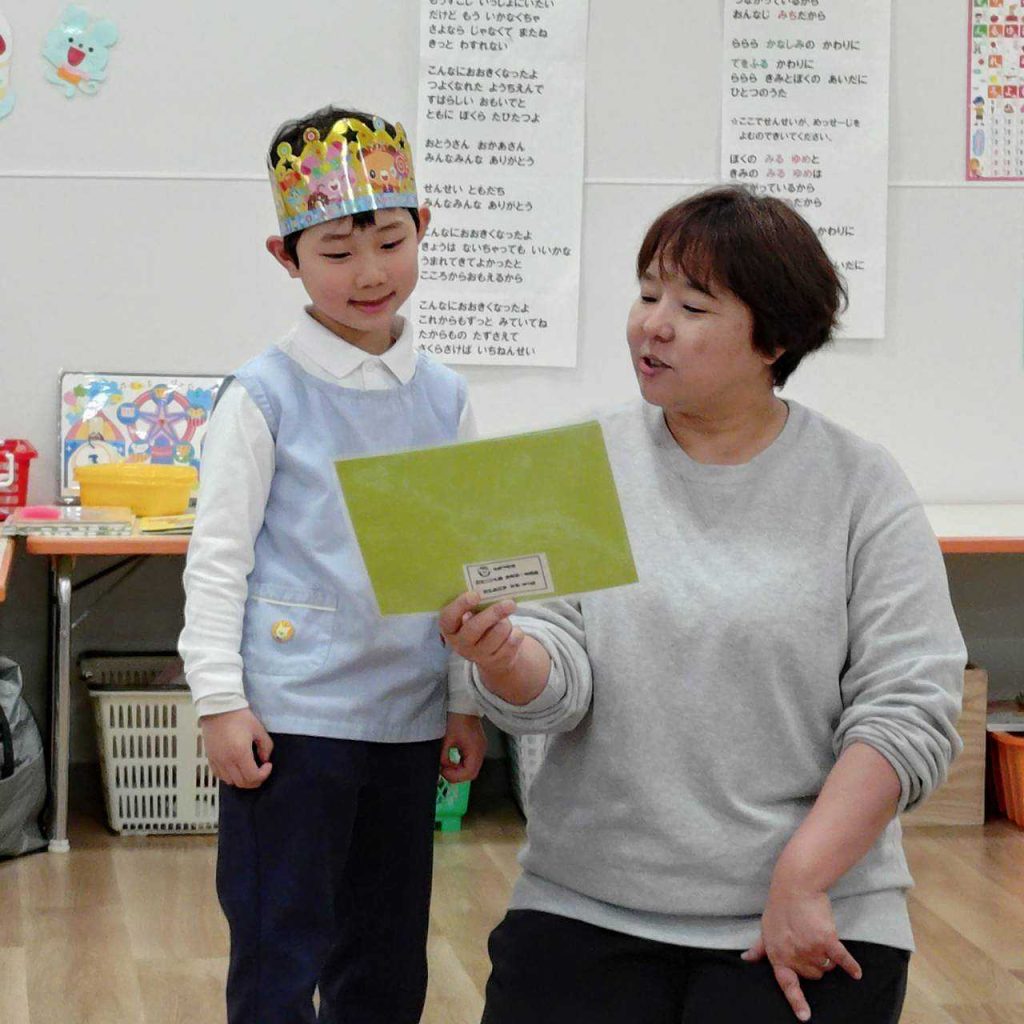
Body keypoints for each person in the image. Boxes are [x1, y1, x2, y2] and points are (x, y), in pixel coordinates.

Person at [441, 186, 965, 1024]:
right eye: (648, 293)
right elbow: (552, 685)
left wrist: (803, 878)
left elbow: (909, 708)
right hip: (589, 899)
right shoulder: (578, 463)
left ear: (776, 339)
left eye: (691, 306)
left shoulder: (859, 484)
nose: (652, 325)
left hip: (812, 903)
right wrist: (503, 657)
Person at [179, 104, 486, 1024]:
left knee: (387, 951)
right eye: (338, 252)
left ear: (423, 227)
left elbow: (465, 565)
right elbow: (217, 558)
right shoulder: (264, 394)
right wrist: (219, 700)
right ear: (287, 258)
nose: (370, 273)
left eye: (390, 242)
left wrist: (464, 700)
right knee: (279, 944)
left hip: (405, 715)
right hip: (292, 721)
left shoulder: (444, 396)